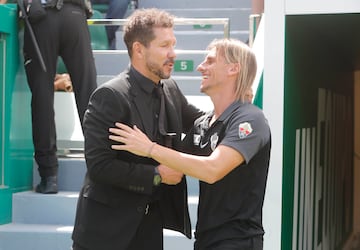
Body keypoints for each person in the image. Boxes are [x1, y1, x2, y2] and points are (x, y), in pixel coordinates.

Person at [109, 38, 271, 250]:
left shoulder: (250, 119)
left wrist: (149, 148)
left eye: (210, 61)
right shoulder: (203, 124)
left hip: (238, 241)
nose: (200, 66)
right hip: (205, 240)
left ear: (233, 68)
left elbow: (212, 169)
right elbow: (172, 171)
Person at [71, 8, 202, 250]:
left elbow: (200, 123)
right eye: (164, 45)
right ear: (139, 49)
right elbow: (100, 166)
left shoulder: (170, 88)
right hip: (104, 234)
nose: (173, 53)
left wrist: (237, 108)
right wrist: (157, 175)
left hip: (150, 229)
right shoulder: (110, 95)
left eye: (173, 44)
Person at [21, 0, 97, 194]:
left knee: (42, 98)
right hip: (75, 13)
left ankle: (49, 177)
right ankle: (101, 169)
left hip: (42, 16)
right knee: (88, 95)